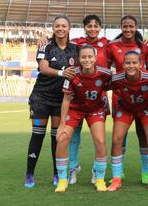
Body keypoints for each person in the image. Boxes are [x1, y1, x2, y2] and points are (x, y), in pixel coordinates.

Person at [37, 14, 110, 185]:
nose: (92, 28)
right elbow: (60, 37)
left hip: (97, 102)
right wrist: (45, 38)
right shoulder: (76, 43)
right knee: (71, 138)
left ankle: (98, 174)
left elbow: (126, 42)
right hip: (76, 102)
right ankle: (72, 170)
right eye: (89, 26)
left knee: (100, 139)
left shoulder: (108, 44)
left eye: (96, 26)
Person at [24, 16, 78, 188]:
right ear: (53, 28)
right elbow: (43, 67)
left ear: (69, 28)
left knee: (57, 138)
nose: (60, 28)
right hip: (40, 97)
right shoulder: (45, 45)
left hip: (60, 100)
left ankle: (57, 174)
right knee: (37, 135)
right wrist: (62, 73)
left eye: (64, 26)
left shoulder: (76, 49)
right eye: (57, 26)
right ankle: (30, 174)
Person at [55, 45, 112, 193]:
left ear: (95, 58)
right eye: (83, 57)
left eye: (90, 57)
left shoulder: (105, 73)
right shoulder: (72, 74)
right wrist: (61, 124)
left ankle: (99, 178)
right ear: (79, 59)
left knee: (100, 141)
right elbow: (66, 100)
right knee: (61, 138)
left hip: (95, 109)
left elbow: (117, 83)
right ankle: (62, 180)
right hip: (75, 109)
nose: (87, 60)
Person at [106, 15, 148, 184]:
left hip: (142, 97)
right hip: (121, 96)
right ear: (121, 28)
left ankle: (146, 172)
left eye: (131, 26)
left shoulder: (145, 46)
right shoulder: (112, 46)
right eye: (125, 26)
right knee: (120, 135)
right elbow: (105, 70)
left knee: (143, 133)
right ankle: (118, 172)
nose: (128, 29)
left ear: (136, 27)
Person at [107, 51, 148, 192]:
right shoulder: (117, 79)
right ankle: (116, 179)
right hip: (126, 108)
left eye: (134, 62)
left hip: (147, 108)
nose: (131, 66)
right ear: (123, 64)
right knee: (116, 139)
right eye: (128, 63)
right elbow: (100, 85)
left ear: (140, 64)